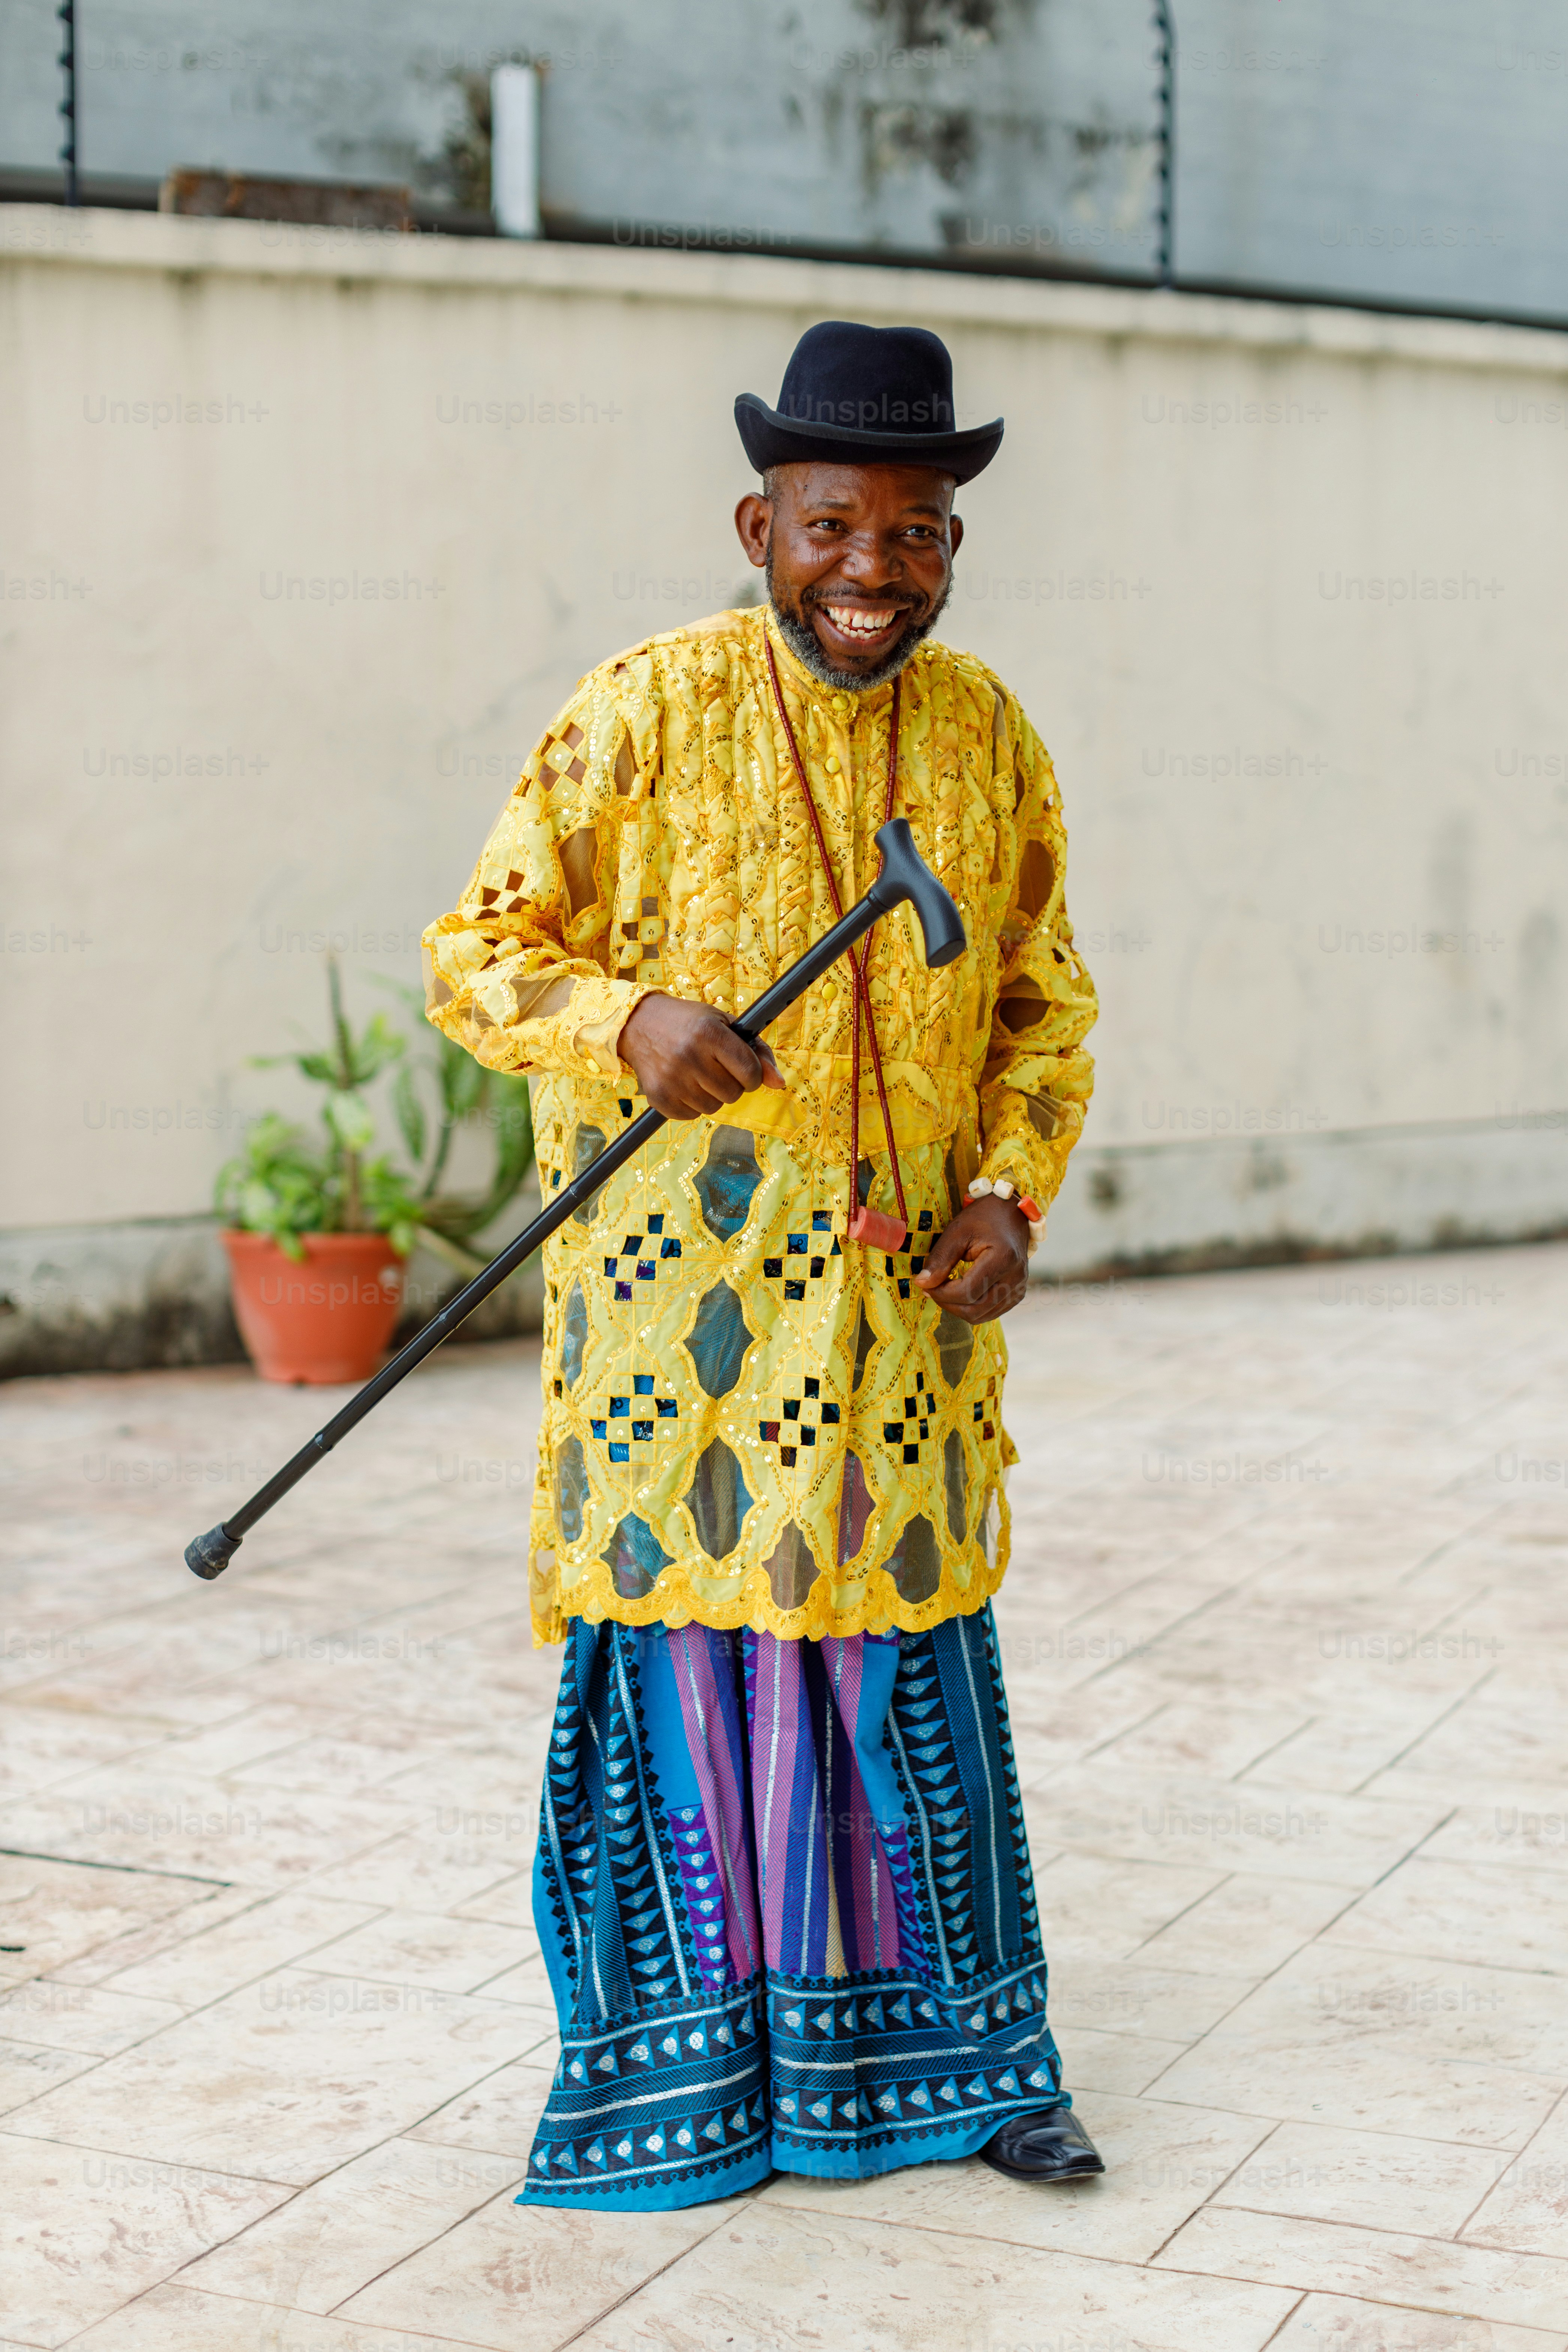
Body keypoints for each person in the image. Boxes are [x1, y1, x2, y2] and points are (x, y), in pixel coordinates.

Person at [422, 321, 1102, 2208]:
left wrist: (1011, 1199)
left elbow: (1044, 1008)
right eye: (834, 526)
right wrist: (630, 1019)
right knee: (706, 1684)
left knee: (908, 1686)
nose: (874, 569)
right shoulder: (636, 711)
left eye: (917, 532)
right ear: (759, 522)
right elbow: (474, 954)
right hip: (686, 1349)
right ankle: (692, 2094)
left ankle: (978, 2077)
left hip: (901, 1339)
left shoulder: (992, 736)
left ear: (953, 544)